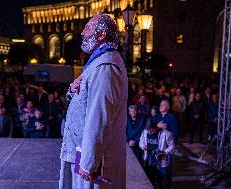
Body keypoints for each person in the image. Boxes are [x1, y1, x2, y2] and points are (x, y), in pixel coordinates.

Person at [59, 13, 127, 189]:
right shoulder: (99, 61)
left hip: (93, 162)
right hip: (85, 153)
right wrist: (72, 90)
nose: (82, 33)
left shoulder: (105, 67)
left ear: (102, 34)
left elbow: (99, 117)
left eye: (88, 28)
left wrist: (88, 163)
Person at [139, 119, 175, 189]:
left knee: (163, 181)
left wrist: (165, 152)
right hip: (149, 161)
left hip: (161, 161)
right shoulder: (145, 132)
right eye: (148, 131)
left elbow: (172, 146)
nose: (150, 132)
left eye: (152, 130)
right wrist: (143, 146)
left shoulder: (166, 134)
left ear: (157, 127)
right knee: (150, 180)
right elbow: (141, 141)